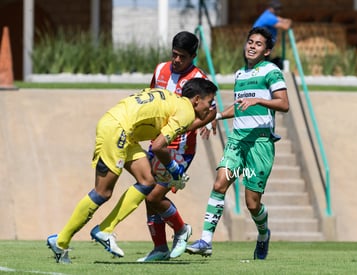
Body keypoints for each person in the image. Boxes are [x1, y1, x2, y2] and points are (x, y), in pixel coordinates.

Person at [46, 77, 217, 264]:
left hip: (122, 129)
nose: (209, 108)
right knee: (103, 192)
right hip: (118, 130)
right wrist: (175, 170)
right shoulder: (186, 112)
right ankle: (63, 240)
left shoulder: (173, 99)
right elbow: (159, 146)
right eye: (209, 102)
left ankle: (98, 231)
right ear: (197, 99)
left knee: (147, 181)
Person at [88, 31, 217, 262]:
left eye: (183, 57)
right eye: (174, 55)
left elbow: (212, 109)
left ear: (193, 57)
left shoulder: (199, 78)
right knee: (148, 192)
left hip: (180, 149)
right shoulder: (160, 70)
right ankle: (159, 248)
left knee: (154, 196)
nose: (177, 60)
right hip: (158, 143)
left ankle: (181, 230)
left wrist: (192, 126)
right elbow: (152, 96)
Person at [185, 27, 289, 260]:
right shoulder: (240, 74)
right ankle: (206, 241)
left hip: (260, 143)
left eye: (258, 44)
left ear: (267, 51)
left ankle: (263, 234)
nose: (252, 46)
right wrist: (216, 117)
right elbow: (240, 105)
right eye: (250, 41)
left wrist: (259, 100)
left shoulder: (271, 71)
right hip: (237, 140)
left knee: (252, 203)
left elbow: (284, 104)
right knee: (220, 183)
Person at [253, 0, 292, 69]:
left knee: (264, 68)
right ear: (270, 8)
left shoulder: (269, 15)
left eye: (279, 9)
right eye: (276, 9)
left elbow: (283, 20)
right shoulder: (269, 17)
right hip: (258, 47)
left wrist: (286, 21)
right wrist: (287, 22)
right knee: (261, 70)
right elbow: (286, 26)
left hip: (262, 47)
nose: (278, 11)